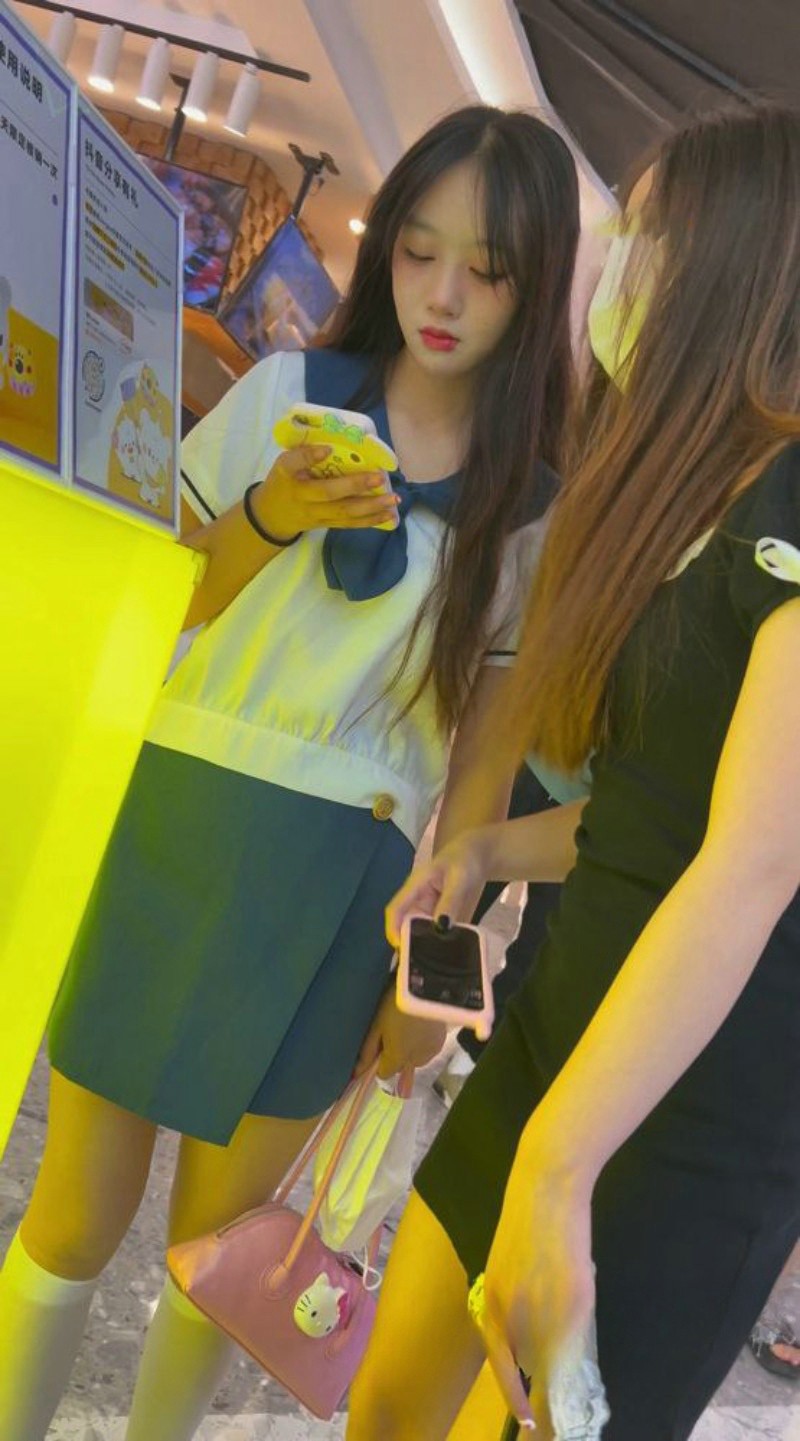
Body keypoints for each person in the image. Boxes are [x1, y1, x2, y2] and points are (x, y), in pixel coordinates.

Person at [0, 105, 579, 1441]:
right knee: (74, 1216)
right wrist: (271, 514)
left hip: (344, 889)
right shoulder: (285, 395)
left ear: (536, 284)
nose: (441, 295)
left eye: (486, 269)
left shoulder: (530, 512)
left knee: (220, 1260)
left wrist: (433, 983)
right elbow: (162, 601)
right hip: (175, 821)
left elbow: (481, 780)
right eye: (419, 251)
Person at [347, 102, 800, 1441]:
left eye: (647, 237)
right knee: (388, 1401)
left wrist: (561, 1166)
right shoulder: (691, 491)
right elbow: (653, 814)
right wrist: (489, 849)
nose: (615, 270)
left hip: (681, 1123)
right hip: (555, 1042)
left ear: (733, 260)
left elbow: (752, 862)